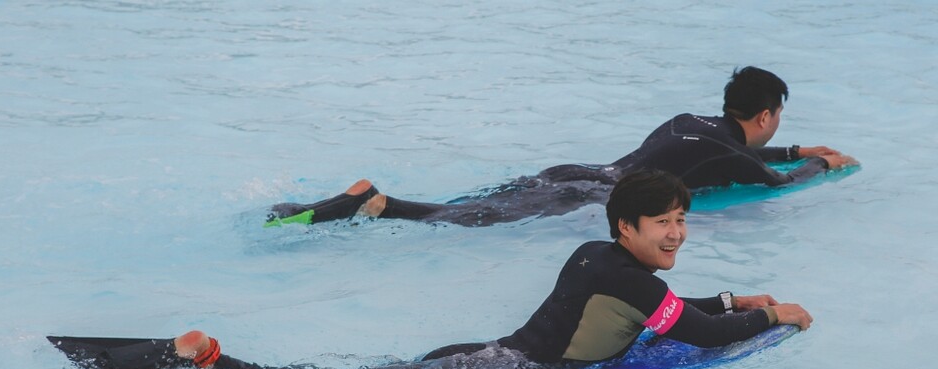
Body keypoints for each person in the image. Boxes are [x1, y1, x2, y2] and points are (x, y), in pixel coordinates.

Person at [68, 170, 812, 369]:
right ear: (626, 227)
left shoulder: (608, 263)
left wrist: (731, 299)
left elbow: (677, 314)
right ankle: (206, 363)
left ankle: (190, 358)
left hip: (482, 356)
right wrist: (773, 316)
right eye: (663, 223)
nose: (677, 234)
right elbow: (693, 334)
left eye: (683, 221)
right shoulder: (626, 273)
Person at [267, 66, 857, 228]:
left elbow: (731, 152)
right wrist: (819, 165)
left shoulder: (690, 121)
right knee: (462, 222)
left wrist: (797, 146)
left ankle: (317, 212)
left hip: (572, 171)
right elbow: (773, 180)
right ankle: (377, 203)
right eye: (779, 120)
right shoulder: (731, 152)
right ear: (764, 115)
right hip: (586, 192)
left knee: (460, 205)